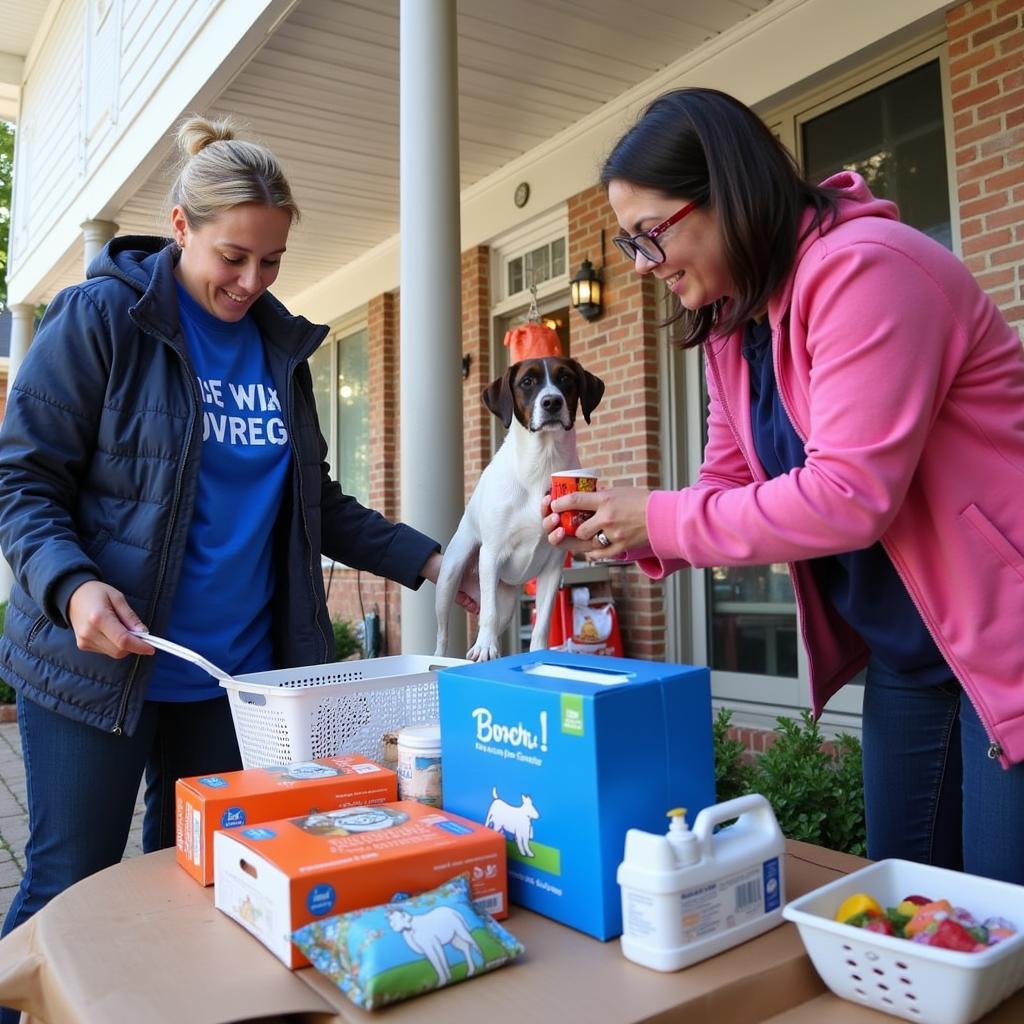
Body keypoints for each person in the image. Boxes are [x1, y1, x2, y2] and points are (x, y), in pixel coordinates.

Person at [0, 115, 476, 972]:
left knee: (203, 882)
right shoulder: (100, 319)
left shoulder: (279, 351)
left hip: (236, 680)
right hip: (100, 665)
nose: (252, 281)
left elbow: (314, 505)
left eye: (272, 261)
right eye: (233, 257)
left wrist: (436, 560)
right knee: (69, 887)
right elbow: (22, 482)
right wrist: (71, 586)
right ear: (181, 226)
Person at [545, 87, 1024, 884]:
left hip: (1005, 639)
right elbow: (727, 485)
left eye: (650, 236)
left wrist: (657, 520)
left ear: (727, 194)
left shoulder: (866, 271)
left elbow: (848, 495)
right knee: (916, 912)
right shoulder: (735, 330)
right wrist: (618, 529)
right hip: (913, 655)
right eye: (631, 246)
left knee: (1006, 934)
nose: (644, 266)